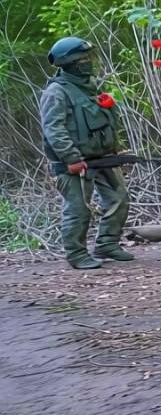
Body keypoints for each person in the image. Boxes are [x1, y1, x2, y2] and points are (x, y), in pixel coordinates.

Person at [38, 36, 133, 270]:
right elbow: (54, 130)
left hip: (102, 157)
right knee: (78, 209)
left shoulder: (90, 86)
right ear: (69, 63)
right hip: (74, 163)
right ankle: (76, 253)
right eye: (83, 60)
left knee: (118, 199)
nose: (88, 62)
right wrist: (71, 158)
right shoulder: (57, 92)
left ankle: (107, 244)